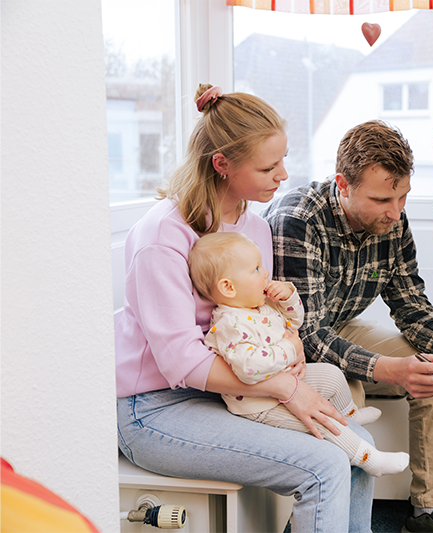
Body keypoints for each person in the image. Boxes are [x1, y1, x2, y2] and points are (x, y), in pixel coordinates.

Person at [115, 84, 375, 533]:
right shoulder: (162, 237)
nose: (283, 175)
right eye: (268, 167)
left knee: (359, 444)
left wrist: (290, 341)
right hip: (153, 408)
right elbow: (182, 362)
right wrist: (286, 388)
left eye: (283, 160)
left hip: (228, 395)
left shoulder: (255, 228)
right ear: (222, 164)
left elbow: (261, 314)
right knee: (325, 465)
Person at [264, 120, 433, 533]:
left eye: (403, 196)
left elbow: (411, 304)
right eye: (381, 199)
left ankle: (428, 509)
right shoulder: (297, 221)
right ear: (343, 185)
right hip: (287, 343)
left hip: (340, 326)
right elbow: (309, 335)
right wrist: (388, 369)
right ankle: (327, 519)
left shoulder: (392, 221)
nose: (396, 211)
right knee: (347, 393)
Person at [188, 231, 410, 477]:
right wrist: (290, 349)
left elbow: (295, 322)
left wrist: (288, 298)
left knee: (332, 375)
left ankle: (350, 415)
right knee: (320, 422)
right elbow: (250, 369)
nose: (266, 273)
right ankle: (370, 459)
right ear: (228, 287)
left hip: (285, 378)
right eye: (256, 269)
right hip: (259, 403)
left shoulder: (259, 306)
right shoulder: (230, 324)